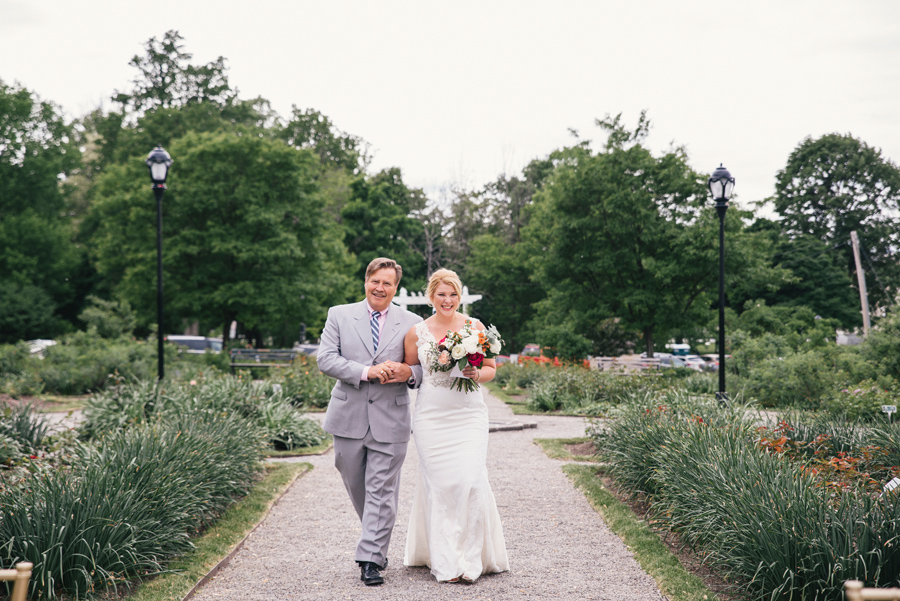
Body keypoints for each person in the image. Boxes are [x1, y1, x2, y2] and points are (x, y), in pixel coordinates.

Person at [318, 258, 424, 586]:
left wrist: (409, 373)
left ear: (396, 287)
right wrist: (367, 372)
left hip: (390, 418)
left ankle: (370, 559)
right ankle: (375, 538)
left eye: (387, 283)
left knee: (381, 488)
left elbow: (422, 369)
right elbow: (325, 358)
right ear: (366, 281)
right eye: (375, 281)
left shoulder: (413, 322)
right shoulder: (339, 314)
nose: (380, 288)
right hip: (347, 416)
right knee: (358, 486)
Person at [402, 268, 509, 583]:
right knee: (442, 484)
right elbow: (412, 371)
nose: (447, 300)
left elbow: (490, 368)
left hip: (468, 415)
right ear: (431, 296)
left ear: (459, 296)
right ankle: (447, 560)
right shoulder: (416, 332)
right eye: (441, 294)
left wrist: (477, 374)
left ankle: (472, 557)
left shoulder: (475, 328)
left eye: (452, 294)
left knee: (469, 479)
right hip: (431, 417)